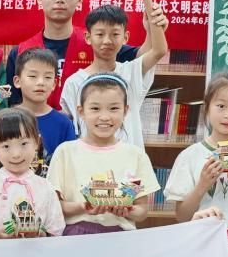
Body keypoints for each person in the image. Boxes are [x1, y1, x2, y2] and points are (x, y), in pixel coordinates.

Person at [6, 0, 164, 109]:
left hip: (89, 128)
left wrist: (153, 27)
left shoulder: (96, 41)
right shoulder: (20, 52)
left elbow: (144, 58)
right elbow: (13, 103)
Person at [59, 0, 168, 149]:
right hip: (89, 162)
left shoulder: (131, 72)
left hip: (128, 164)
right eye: (100, 34)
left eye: (115, 34)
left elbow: (159, 50)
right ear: (88, 37)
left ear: (125, 37)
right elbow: (70, 130)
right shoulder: (74, 82)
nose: (107, 41)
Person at [46, 74, 158, 235]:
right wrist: (84, 207)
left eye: (114, 108)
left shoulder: (136, 155)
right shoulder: (65, 152)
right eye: (95, 108)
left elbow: (142, 211)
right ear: (81, 111)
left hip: (121, 237)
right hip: (76, 235)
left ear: (125, 110)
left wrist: (127, 210)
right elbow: (54, 206)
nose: (104, 117)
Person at [166, 71, 228, 225]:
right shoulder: (190, 156)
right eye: (221, 106)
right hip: (204, 235)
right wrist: (203, 184)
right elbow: (182, 216)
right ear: (207, 108)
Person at [0, 108, 64, 239]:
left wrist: (39, 233)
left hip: (35, 252)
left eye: (24, 143)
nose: (16, 154)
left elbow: (56, 232)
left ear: (36, 143)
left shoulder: (45, 187)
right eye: (6, 146)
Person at [13, 47, 76, 167]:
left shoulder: (64, 123)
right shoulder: (7, 119)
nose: (41, 82)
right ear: (17, 81)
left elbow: (69, 163)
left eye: (47, 77)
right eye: (33, 76)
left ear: (54, 84)